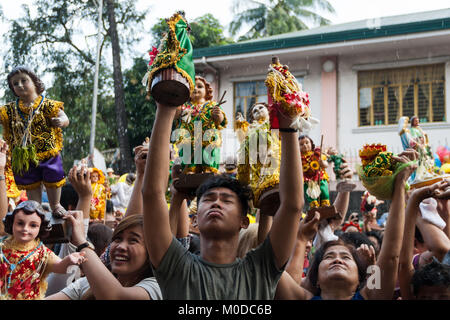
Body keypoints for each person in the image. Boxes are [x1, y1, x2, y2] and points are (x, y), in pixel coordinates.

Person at [142, 99, 304, 299]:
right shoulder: (175, 266)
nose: (216, 203)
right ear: (196, 218)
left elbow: (292, 206)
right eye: (208, 199)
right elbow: (151, 194)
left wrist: (289, 130)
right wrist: (165, 108)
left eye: (227, 200)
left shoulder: (261, 269)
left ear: (244, 221)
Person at [275, 149, 418, 300]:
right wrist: (301, 239)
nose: (337, 259)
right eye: (329, 257)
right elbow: (282, 276)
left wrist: (400, 183)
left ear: (359, 280)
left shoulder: (372, 295)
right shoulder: (300, 297)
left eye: (346, 257)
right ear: (316, 278)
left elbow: (391, 256)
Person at [0, 66, 69, 218]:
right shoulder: (10, 109)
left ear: (35, 82)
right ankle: (36, 208)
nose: (19, 85)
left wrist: (61, 121)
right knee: (30, 180)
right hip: (23, 155)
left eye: (24, 80)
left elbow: (65, 117)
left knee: (53, 176)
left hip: (47, 151)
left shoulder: (47, 105)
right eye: (15, 84)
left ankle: (55, 204)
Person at [46, 213, 162, 300]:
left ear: (150, 251)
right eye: (117, 238)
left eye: (133, 240)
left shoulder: (155, 287)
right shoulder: (88, 283)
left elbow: (115, 297)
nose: (120, 246)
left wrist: (82, 242)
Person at [0, 201, 86, 300]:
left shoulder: (42, 253)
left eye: (33, 225)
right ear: (12, 223)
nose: (25, 229)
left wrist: (68, 260)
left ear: (41, 228)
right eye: (20, 223)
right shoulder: (2, 246)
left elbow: (59, 267)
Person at [173, 75, 227, 174]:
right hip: (188, 137)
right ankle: (190, 169)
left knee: (208, 152)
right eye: (193, 87)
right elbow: (175, 118)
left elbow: (220, 121)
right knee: (187, 151)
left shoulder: (212, 105)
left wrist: (218, 115)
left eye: (200, 86)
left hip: (207, 137)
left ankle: (209, 168)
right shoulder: (184, 106)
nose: (196, 89)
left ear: (207, 91)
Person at [236, 102, 281, 215]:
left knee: (281, 210)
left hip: (278, 176)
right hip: (259, 181)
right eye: (254, 111)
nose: (258, 111)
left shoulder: (276, 125)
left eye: (261, 108)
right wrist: (242, 185)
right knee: (264, 213)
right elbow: (243, 162)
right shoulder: (249, 135)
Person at [299, 135, 330, 209]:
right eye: (301, 144)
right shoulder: (298, 158)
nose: (305, 145)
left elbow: (326, 165)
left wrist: (322, 163)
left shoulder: (317, 154)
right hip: (307, 180)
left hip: (320, 177)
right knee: (311, 193)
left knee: (324, 190)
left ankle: (325, 204)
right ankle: (314, 205)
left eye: (307, 143)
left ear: (311, 143)